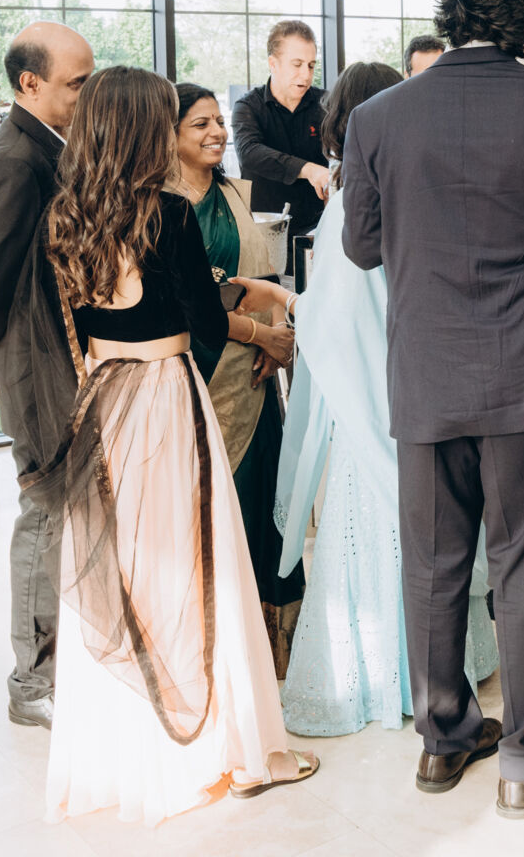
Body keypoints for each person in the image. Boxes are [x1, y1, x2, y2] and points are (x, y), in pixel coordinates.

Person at [341, 0, 524, 819]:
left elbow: (361, 246)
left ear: (451, 7)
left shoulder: (378, 117)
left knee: (433, 563)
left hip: (425, 371)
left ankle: (442, 739)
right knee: (523, 565)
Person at [35, 66, 317, 822]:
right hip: (166, 394)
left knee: (130, 566)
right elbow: (205, 319)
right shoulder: (168, 213)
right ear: (142, 131)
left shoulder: (64, 215)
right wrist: (252, 299)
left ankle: (130, 752)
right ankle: (238, 750)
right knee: (203, 561)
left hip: (103, 398)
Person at [275, 60, 500, 737]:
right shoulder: (408, 192)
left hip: (375, 393)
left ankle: (393, 675)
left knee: (391, 532)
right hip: (411, 386)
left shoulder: (353, 199)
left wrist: (289, 306)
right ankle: (422, 675)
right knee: (425, 532)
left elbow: (335, 318)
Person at [0, 21, 94, 731]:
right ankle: (31, 683)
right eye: (76, 83)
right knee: (47, 509)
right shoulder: (13, 160)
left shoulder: (50, 147)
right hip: (36, 366)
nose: (87, 94)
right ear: (30, 83)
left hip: (60, 356)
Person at [169, 82, 305, 673]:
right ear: (169, 135)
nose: (218, 133)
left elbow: (263, 273)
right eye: (200, 124)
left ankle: (272, 651)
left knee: (261, 502)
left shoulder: (233, 192)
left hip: (253, 378)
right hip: (196, 374)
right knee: (208, 507)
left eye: (219, 121)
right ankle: (220, 651)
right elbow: (183, 304)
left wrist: (276, 336)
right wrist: (258, 334)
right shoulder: (160, 204)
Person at [233, 19, 329, 238]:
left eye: (311, 65)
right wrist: (309, 170)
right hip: (264, 229)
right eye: (297, 64)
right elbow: (249, 153)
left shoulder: (327, 104)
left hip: (317, 229)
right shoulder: (248, 106)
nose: (306, 75)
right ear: (273, 64)